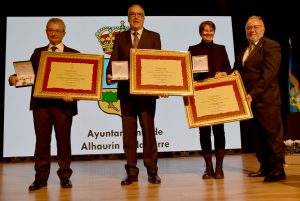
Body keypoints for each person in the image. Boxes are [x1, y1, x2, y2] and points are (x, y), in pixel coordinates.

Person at [9, 18, 80, 191]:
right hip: (41, 106)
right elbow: (28, 75)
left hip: (64, 107)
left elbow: (80, 84)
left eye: (57, 30)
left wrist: (76, 96)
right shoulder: (38, 53)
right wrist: (14, 79)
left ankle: (65, 177)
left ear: (64, 33)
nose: (54, 33)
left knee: (64, 143)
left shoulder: (75, 54)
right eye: (50, 30)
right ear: (46, 32)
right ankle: (40, 178)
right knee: (41, 143)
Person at [106, 4, 162, 185]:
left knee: (148, 133)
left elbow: (159, 64)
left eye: (139, 15)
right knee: (129, 135)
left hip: (146, 95)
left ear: (144, 18)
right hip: (126, 94)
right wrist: (110, 74)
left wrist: (162, 83)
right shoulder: (120, 37)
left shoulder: (154, 37)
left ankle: (152, 171)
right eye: (132, 15)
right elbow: (114, 59)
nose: (136, 17)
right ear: (128, 17)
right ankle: (131, 172)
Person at [232, 15, 286, 182]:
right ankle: (264, 167)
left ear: (263, 29)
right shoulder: (244, 48)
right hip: (248, 101)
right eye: (249, 28)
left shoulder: (271, 46)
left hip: (267, 100)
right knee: (258, 137)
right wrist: (231, 74)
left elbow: (268, 75)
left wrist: (253, 94)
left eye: (255, 27)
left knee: (272, 136)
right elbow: (239, 69)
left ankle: (278, 170)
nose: (252, 30)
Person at [188, 21, 231, 179]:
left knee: (219, 130)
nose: (208, 33)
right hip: (200, 95)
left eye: (211, 30)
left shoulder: (221, 49)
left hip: (218, 94)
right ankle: (208, 167)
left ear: (214, 32)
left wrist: (224, 73)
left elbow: (228, 68)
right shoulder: (192, 49)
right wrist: (194, 74)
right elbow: (187, 72)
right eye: (205, 31)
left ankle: (219, 167)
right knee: (204, 132)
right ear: (200, 33)